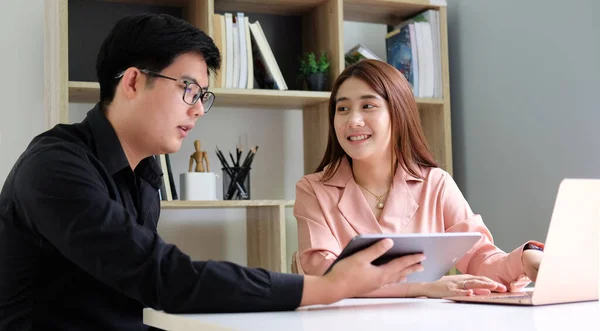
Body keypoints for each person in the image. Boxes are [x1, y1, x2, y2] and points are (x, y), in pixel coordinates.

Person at [0, 14, 427, 330]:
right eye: (188, 89)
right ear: (132, 82)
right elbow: (163, 276)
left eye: (204, 95)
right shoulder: (56, 166)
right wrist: (328, 287)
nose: (198, 108)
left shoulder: (144, 179)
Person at [293, 59, 545, 299]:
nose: (353, 120)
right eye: (343, 109)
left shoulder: (436, 184)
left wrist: (525, 259)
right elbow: (325, 274)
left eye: (368, 106)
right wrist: (420, 287)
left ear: (398, 113)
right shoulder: (313, 190)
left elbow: (480, 256)